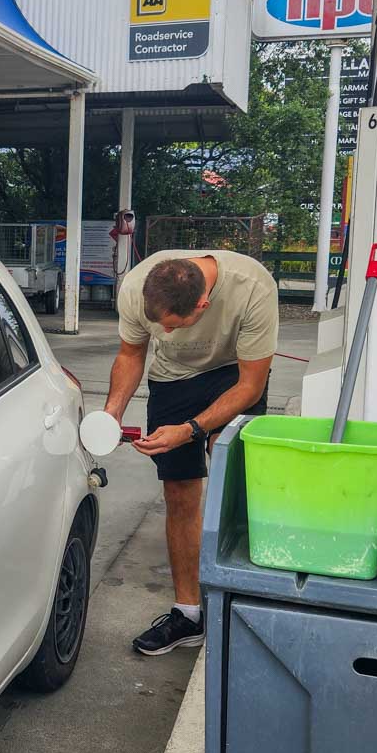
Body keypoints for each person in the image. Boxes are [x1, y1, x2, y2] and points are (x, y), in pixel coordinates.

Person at [104, 250, 278, 656]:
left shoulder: (252, 288)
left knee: (230, 476)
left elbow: (251, 386)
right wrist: (112, 413)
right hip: (173, 380)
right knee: (180, 492)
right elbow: (132, 354)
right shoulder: (136, 288)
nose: (163, 331)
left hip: (234, 375)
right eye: (158, 323)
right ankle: (188, 615)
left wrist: (191, 430)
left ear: (202, 304)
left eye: (171, 325)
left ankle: (241, 601)